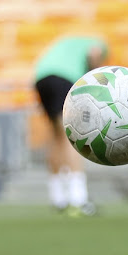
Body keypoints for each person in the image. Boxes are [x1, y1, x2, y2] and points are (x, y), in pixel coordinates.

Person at [34, 35, 108, 216]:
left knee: (55, 135)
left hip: (41, 78)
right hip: (63, 79)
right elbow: (95, 53)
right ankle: (78, 198)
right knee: (71, 135)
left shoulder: (67, 43)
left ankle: (57, 197)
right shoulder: (100, 44)